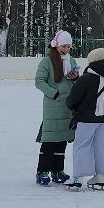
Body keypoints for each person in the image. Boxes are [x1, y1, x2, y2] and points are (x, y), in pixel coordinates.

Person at [64, 47, 104, 190]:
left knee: (81, 146)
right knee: (100, 146)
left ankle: (77, 178)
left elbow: (73, 99)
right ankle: (100, 176)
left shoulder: (86, 79)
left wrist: (71, 106)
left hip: (87, 119)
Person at [33, 30, 78, 185]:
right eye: (64, 46)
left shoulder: (71, 60)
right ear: (57, 45)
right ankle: (42, 171)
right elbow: (39, 81)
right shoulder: (47, 61)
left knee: (62, 141)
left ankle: (58, 170)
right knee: (50, 140)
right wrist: (54, 93)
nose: (66, 49)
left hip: (67, 106)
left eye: (68, 47)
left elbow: (74, 81)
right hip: (53, 105)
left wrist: (75, 78)